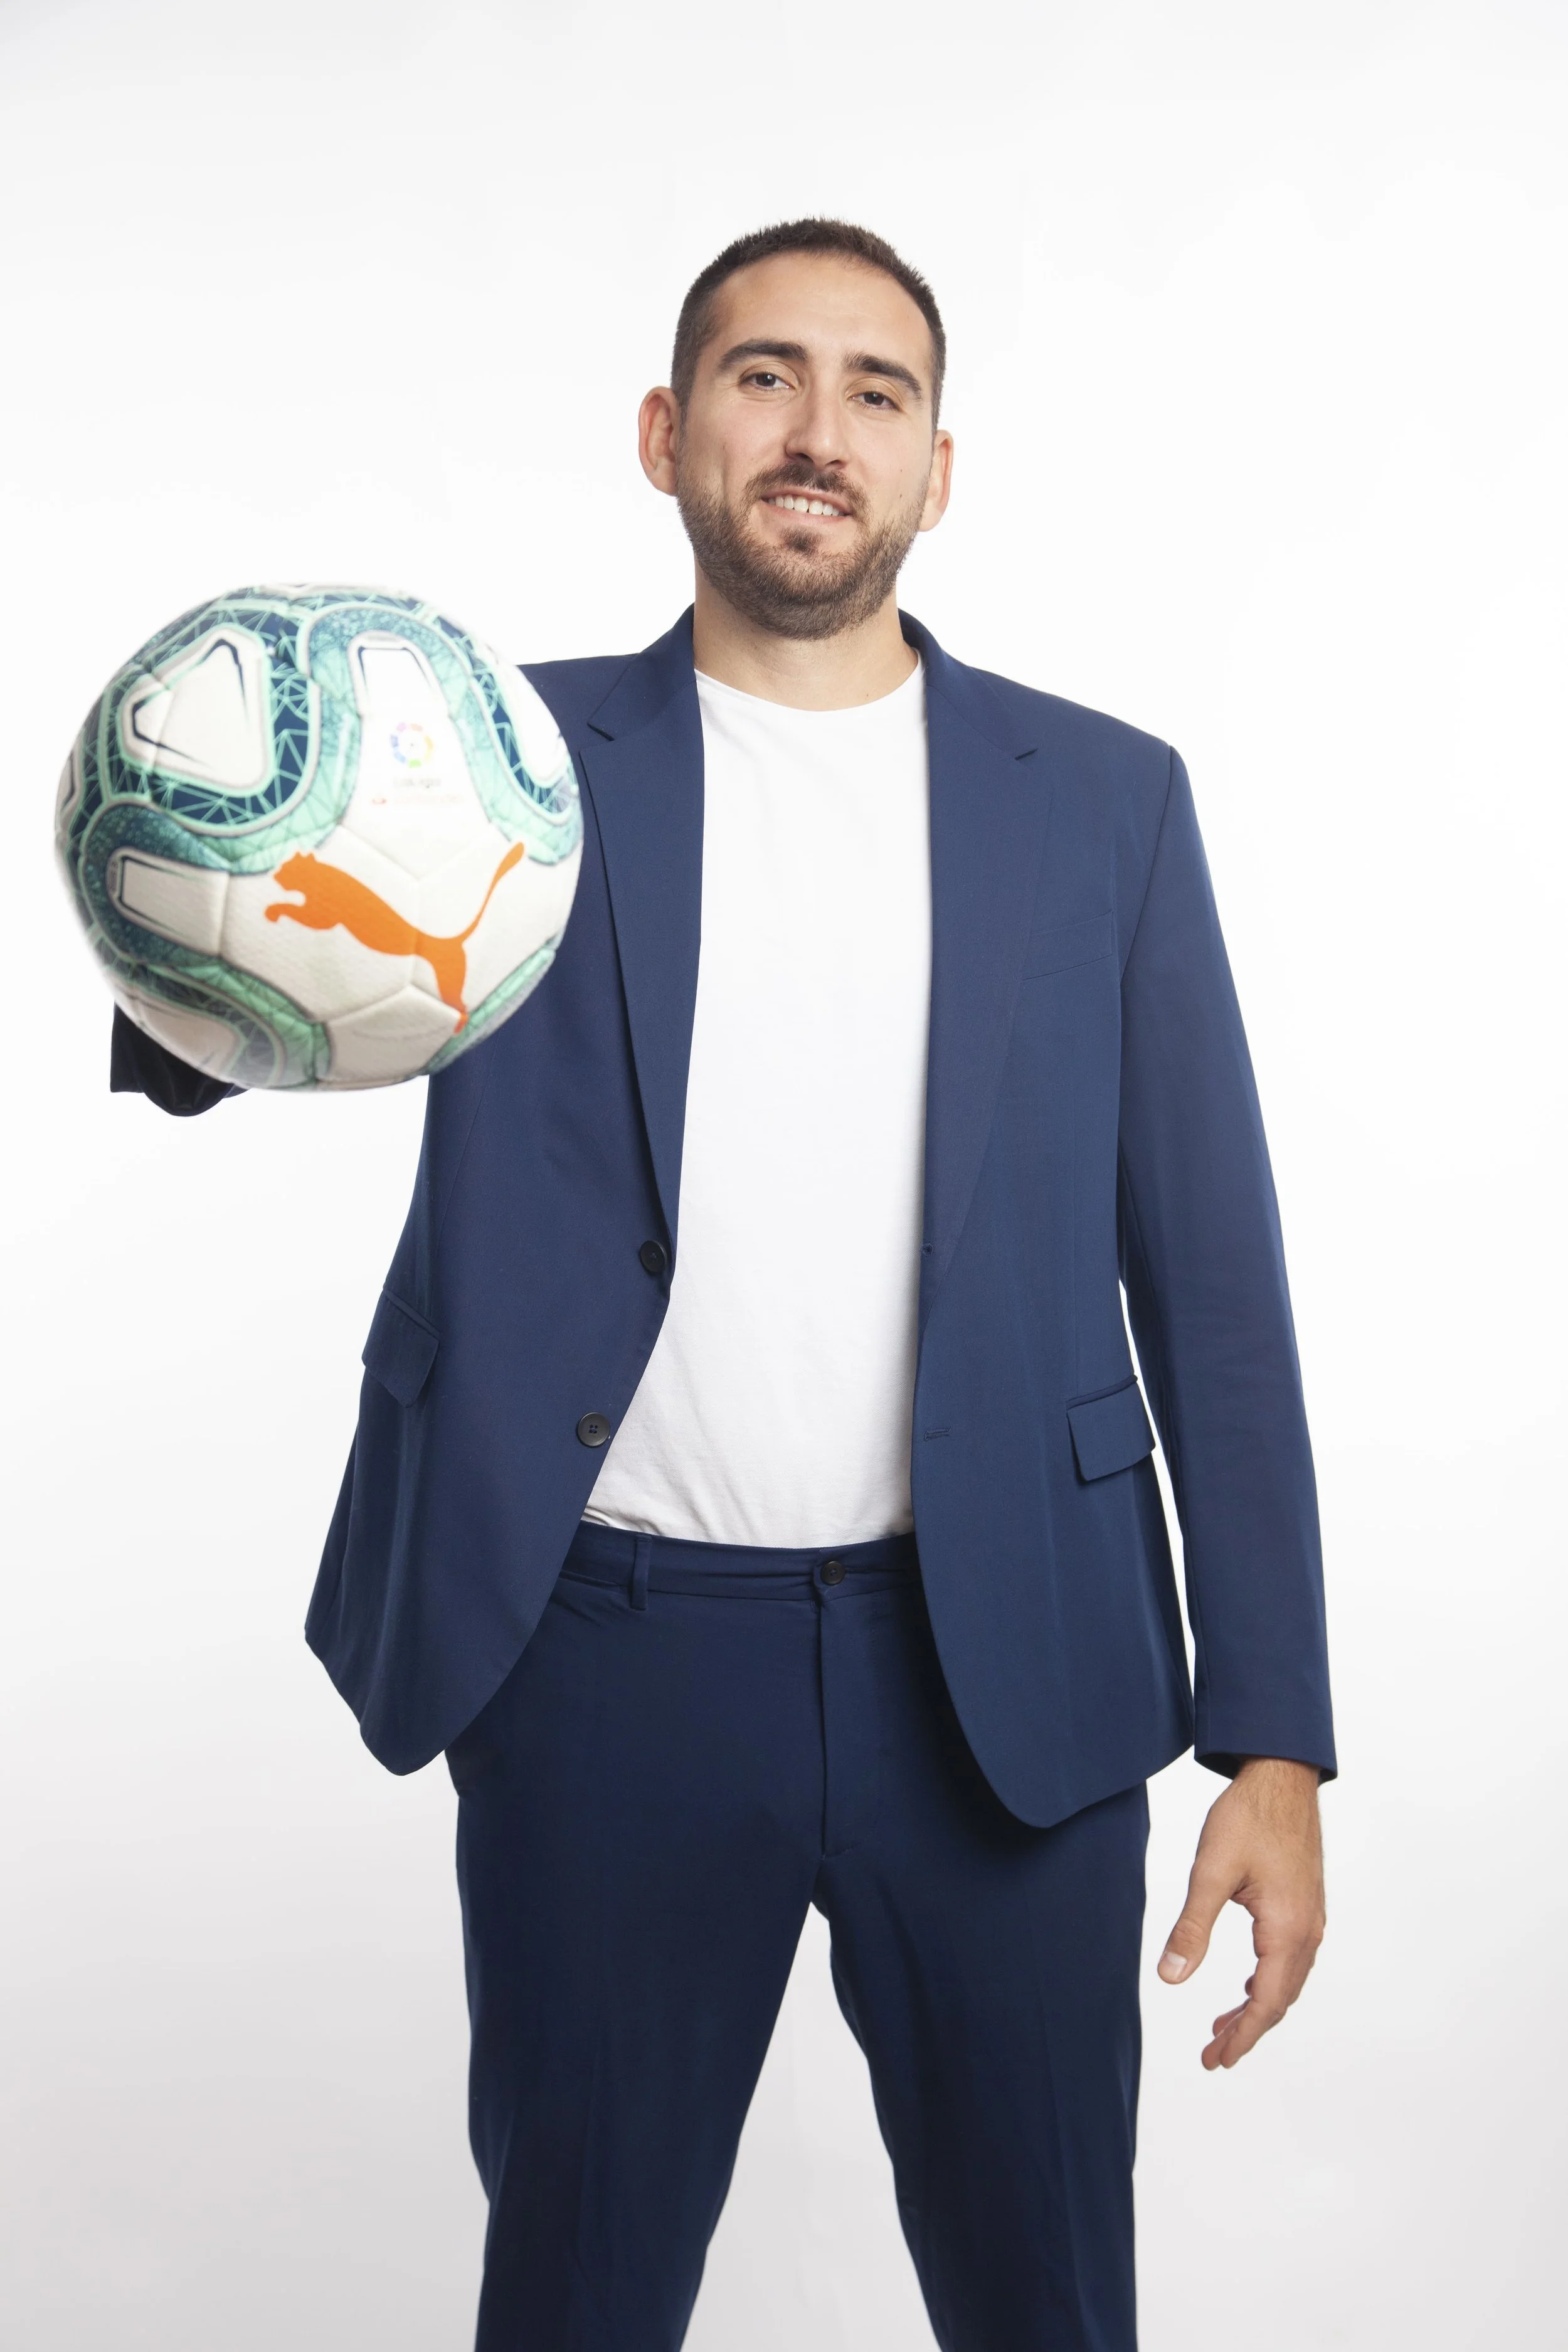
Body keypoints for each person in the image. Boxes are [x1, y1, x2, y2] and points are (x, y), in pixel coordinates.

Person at [114, 218, 1334, 2352]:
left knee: (1050, 2302)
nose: (818, 431)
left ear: (937, 468)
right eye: (764, 378)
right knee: (578, 2298)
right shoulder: (499, 770)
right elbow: (239, 998)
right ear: (670, 436)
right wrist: (205, 864)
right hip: (602, 1661)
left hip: (1006, 1682)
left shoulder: (1107, 802)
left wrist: (1273, 1738)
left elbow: (1211, 1281)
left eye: (877, 391)